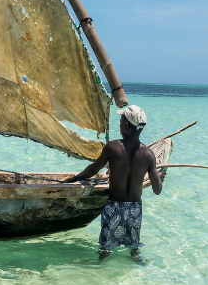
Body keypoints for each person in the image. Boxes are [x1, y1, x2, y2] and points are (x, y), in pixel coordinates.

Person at [66, 104, 164, 258]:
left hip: (114, 207)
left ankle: (101, 270)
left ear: (125, 126)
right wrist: (158, 178)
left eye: (120, 122)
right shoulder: (148, 154)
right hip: (135, 210)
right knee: (133, 248)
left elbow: (93, 170)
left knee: (106, 249)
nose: (119, 124)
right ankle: (136, 267)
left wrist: (75, 178)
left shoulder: (112, 148)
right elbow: (157, 190)